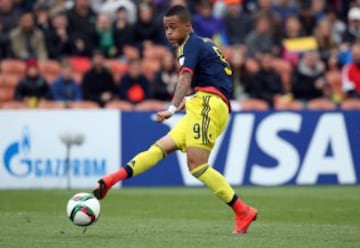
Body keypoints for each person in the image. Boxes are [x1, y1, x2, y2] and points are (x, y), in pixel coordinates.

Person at [93, 5, 257, 234]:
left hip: (207, 105)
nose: (168, 32)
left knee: (197, 165)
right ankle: (111, 180)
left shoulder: (188, 45)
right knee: (159, 149)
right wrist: (187, 101)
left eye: (173, 27)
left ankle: (243, 211)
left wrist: (172, 107)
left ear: (187, 27)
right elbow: (213, 75)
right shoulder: (204, 42)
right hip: (204, 103)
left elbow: (186, 77)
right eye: (165, 28)